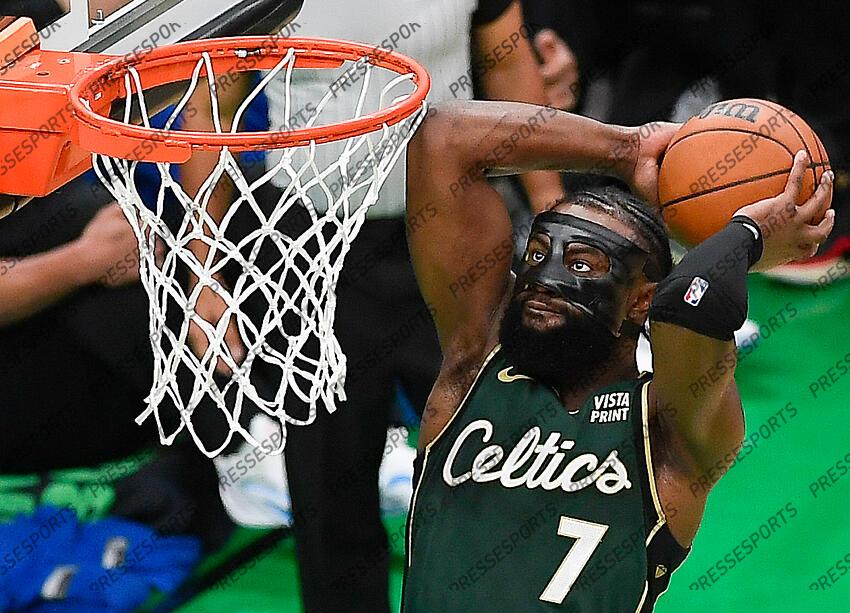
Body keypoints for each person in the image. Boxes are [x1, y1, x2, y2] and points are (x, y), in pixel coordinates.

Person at [181, 2, 572, 610]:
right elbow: (212, 112)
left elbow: (507, 57)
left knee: (510, 457)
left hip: (457, 236)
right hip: (309, 249)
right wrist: (205, 272)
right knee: (331, 486)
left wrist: (552, 208)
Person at [401, 100, 833, 610]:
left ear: (641, 300)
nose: (545, 277)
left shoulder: (670, 430)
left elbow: (691, 296)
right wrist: (626, 150)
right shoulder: (475, 358)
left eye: (582, 263)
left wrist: (748, 234)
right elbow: (442, 137)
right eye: (538, 254)